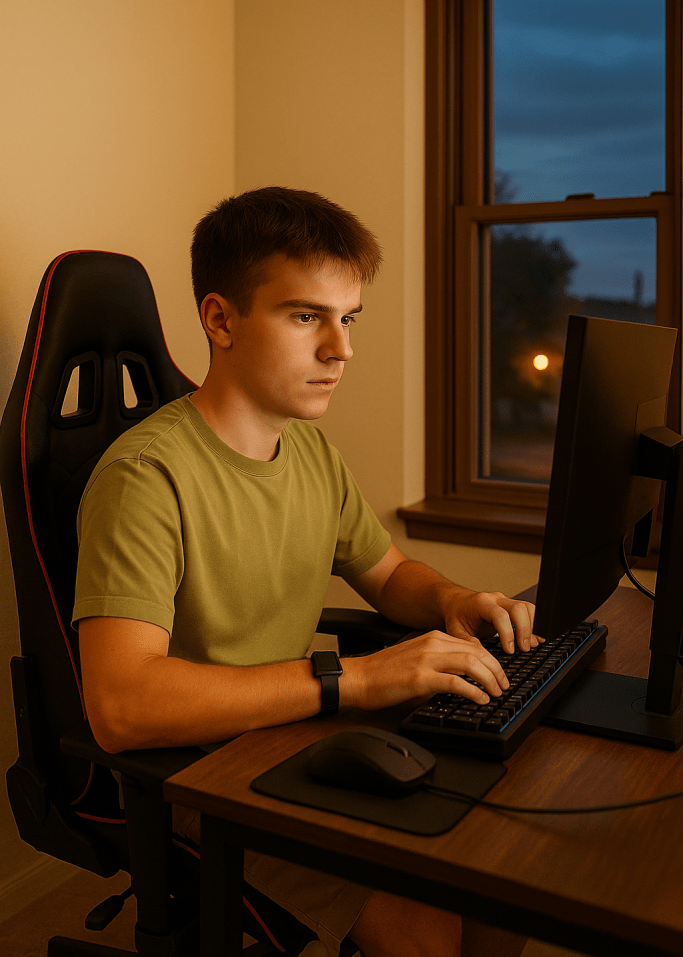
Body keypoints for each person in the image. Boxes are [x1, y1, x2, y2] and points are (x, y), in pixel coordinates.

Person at [74, 187, 533, 957]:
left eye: (347, 318)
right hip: (200, 776)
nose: (340, 349)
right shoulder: (146, 477)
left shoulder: (308, 447)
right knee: (424, 924)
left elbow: (387, 574)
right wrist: (352, 680)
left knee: (497, 872)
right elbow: (121, 706)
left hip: (299, 742)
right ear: (220, 320)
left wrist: (453, 599)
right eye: (304, 316)